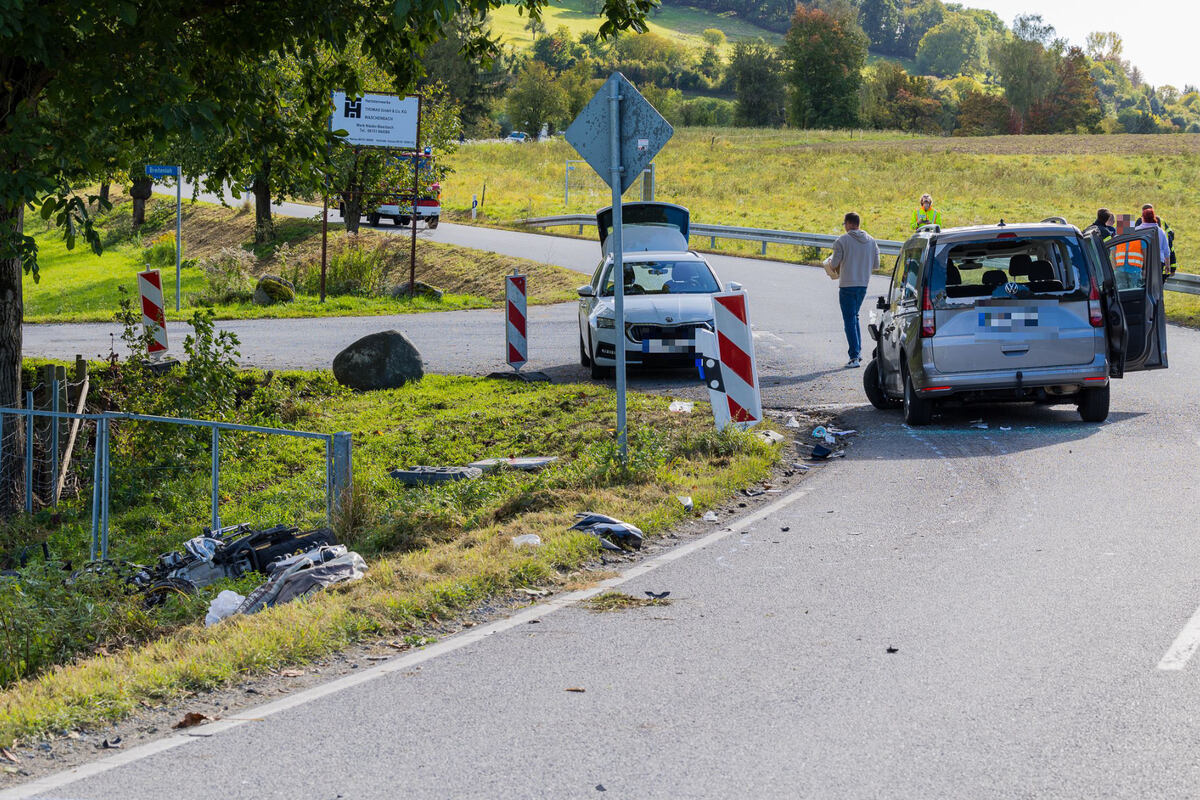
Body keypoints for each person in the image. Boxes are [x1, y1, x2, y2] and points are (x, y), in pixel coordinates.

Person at [824, 212, 880, 368]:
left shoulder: (842, 241)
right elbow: (876, 264)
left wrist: (831, 261)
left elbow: (834, 263)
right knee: (854, 317)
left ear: (848, 224)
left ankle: (854, 356)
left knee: (849, 320)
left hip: (847, 284)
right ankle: (858, 352)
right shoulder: (871, 241)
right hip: (863, 285)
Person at [1141, 203, 1176, 274]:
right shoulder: (1161, 231)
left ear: (1142, 218)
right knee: (1155, 283)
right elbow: (1167, 250)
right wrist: (1168, 266)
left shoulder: (1137, 230)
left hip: (1141, 261)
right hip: (1158, 261)